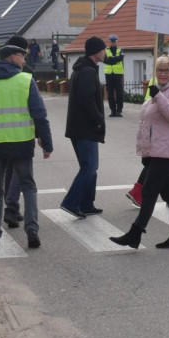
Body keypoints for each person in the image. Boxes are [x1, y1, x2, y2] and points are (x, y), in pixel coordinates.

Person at [0, 38, 52, 249]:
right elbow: (40, 114)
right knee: (28, 186)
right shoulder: (25, 80)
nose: (24, 61)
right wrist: (46, 143)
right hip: (22, 143)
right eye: (22, 56)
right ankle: (32, 230)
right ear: (12, 58)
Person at [110, 55, 169, 249]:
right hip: (157, 150)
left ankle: (135, 233)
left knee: (149, 191)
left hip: (167, 151)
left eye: (167, 70)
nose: (162, 74)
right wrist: (147, 151)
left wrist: (158, 96)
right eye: (159, 70)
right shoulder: (162, 89)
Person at [59, 36, 107, 218]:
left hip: (81, 127)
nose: (105, 52)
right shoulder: (87, 71)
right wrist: (98, 119)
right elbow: (87, 100)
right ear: (96, 52)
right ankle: (71, 202)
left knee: (90, 168)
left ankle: (86, 203)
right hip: (85, 128)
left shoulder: (84, 69)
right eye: (103, 49)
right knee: (89, 167)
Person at [1, 34, 35, 229]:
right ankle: (12, 208)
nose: (27, 54)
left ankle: (10, 206)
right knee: (21, 172)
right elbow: (35, 106)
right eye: (25, 51)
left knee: (9, 170)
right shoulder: (26, 73)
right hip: (21, 131)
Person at [104, 34, 125, 117]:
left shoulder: (120, 49)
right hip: (109, 74)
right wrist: (115, 59)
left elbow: (121, 58)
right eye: (111, 41)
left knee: (119, 93)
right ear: (109, 42)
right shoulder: (106, 50)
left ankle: (119, 110)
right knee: (110, 93)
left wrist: (111, 59)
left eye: (114, 41)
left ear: (116, 42)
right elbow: (104, 60)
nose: (113, 43)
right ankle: (113, 111)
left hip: (118, 74)